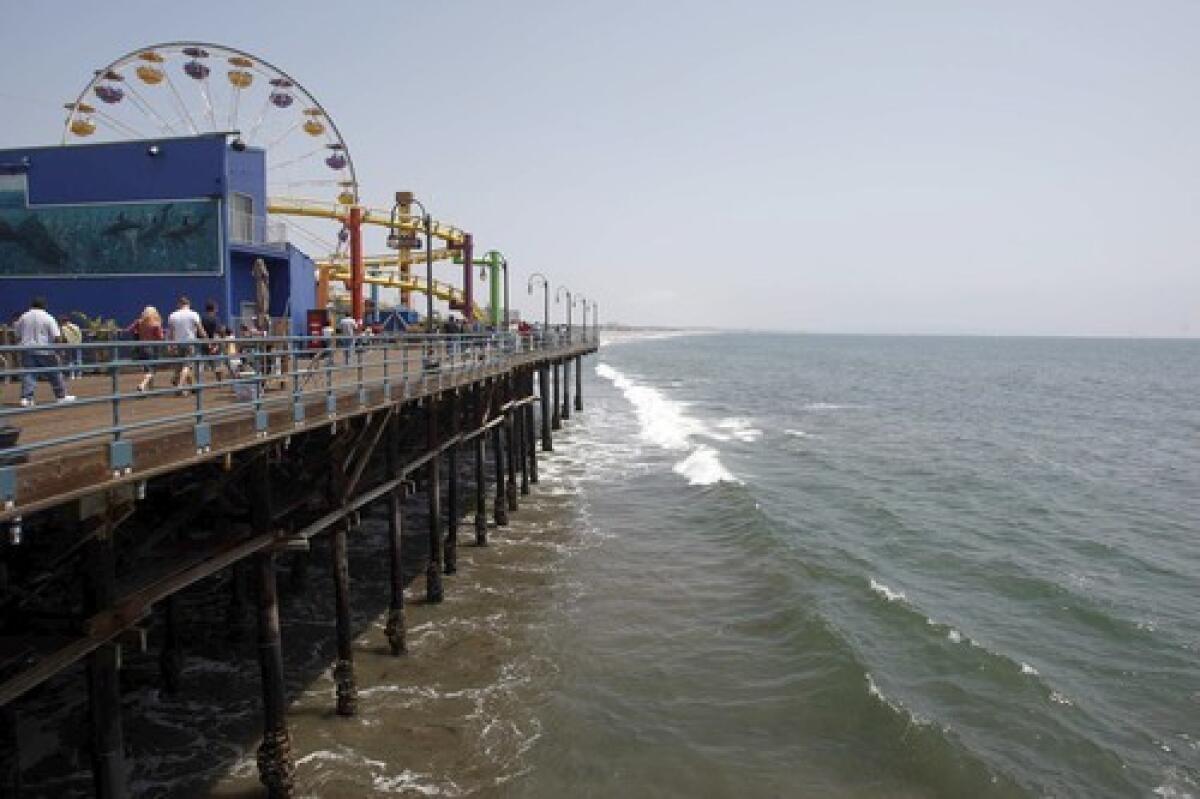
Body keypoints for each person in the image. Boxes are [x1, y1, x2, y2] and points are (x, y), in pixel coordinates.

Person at [15, 297, 74, 407]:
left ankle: (26, 399)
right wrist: (59, 349)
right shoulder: (48, 317)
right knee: (55, 374)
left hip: (28, 350)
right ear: (44, 306)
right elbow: (57, 336)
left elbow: (17, 334)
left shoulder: (23, 317)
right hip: (45, 351)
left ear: (31, 305)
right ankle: (61, 396)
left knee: (29, 374)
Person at [166, 295, 207, 392]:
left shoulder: (173, 315)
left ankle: (193, 386)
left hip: (178, 343)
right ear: (188, 304)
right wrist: (208, 340)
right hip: (190, 342)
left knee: (181, 366)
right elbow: (201, 330)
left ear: (179, 304)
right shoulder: (194, 314)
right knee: (187, 366)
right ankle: (180, 385)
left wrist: (171, 345)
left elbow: (171, 333)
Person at [129, 306, 164, 393]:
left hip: (141, 347)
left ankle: (151, 388)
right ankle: (142, 385)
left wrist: (137, 333)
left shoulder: (139, 322)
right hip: (152, 348)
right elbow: (161, 337)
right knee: (152, 370)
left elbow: (130, 330)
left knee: (148, 369)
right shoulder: (155, 324)